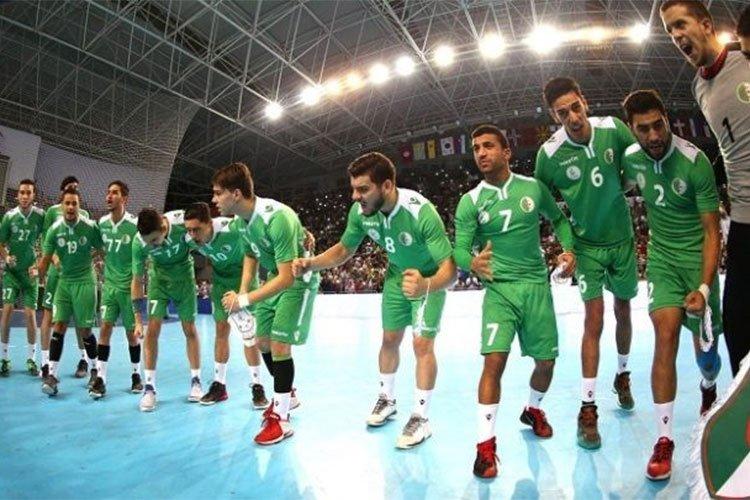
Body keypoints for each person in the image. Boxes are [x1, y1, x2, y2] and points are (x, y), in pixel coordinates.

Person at [292, 152, 456, 449]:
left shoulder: (421, 212)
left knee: (422, 345)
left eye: (363, 189)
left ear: (387, 186)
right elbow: (344, 250)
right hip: (395, 277)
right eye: (354, 189)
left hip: (428, 279)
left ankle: (421, 418)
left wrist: (426, 285)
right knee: (389, 339)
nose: (355, 196)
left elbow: (451, 270)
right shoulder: (360, 213)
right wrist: (310, 264)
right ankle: (387, 399)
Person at [456, 125, 575, 478]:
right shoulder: (470, 201)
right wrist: (471, 262)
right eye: (476, 148)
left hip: (536, 287)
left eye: (488, 146)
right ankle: (485, 447)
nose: (481, 153)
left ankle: (533, 409)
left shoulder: (532, 188)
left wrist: (569, 250)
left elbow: (559, 220)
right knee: (493, 362)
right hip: (500, 291)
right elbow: (459, 249)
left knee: (546, 363)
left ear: (506, 152)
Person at [621, 89, 723, 480]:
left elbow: (712, 232)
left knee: (707, 354)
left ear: (667, 119)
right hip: (662, 260)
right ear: (632, 129)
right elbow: (615, 189)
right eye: (643, 129)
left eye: (658, 125)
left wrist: (705, 288)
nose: (653, 136)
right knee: (664, 336)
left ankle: (708, 385)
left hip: (697, 261)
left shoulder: (695, 163)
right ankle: (664, 440)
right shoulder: (631, 159)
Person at [535, 77, 638, 449]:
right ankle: (588, 407)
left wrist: (625, 184)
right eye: (563, 113)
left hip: (622, 239)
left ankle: (622, 374)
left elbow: (637, 166)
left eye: (575, 107)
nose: (572, 117)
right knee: (593, 319)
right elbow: (543, 204)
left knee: (623, 310)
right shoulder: (549, 154)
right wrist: (565, 245)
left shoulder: (614, 129)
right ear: (554, 116)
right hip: (586, 247)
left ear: (585, 101)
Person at [661, 0, 750, 377]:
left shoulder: (745, 59)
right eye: (669, 31)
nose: (676, 35)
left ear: (707, 24)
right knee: (739, 326)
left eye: (681, 24)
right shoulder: (698, 87)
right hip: (744, 221)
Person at [213, 162, 319, 445]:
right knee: (262, 342)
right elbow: (251, 254)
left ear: (236, 194)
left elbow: (287, 278)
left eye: (218, 193)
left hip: (298, 280)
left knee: (280, 344)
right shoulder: (240, 223)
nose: (214, 199)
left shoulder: (277, 218)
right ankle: (288, 395)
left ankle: (280, 420)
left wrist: (243, 299)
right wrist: (242, 291)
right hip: (276, 276)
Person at [183, 202, 269, 408]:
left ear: (209, 223)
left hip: (244, 283)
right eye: (189, 230)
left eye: (196, 229)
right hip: (221, 286)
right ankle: (219, 385)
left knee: (249, 336)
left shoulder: (231, 230)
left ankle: (257, 386)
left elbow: (256, 243)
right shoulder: (190, 239)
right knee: (221, 330)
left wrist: (242, 293)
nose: (192, 235)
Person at [132, 208, 203, 411]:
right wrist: (138, 320)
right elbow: (137, 280)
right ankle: (149, 388)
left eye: (154, 241)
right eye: (148, 242)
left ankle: (196, 381)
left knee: (189, 329)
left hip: (184, 281)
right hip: (159, 282)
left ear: (163, 227)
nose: (151, 246)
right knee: (152, 330)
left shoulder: (183, 223)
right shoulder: (139, 243)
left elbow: (205, 240)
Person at [38, 188, 102, 396]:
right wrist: (37, 273)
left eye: (75, 203)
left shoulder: (90, 227)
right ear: (62, 205)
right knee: (59, 325)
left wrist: (92, 259)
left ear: (79, 206)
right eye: (67, 203)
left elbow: (102, 248)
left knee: (85, 330)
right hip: (64, 283)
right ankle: (52, 375)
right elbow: (46, 259)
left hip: (84, 282)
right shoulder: (54, 230)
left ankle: (96, 371)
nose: (71, 207)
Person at [89, 181, 142, 399]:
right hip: (109, 287)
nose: (109, 196)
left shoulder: (135, 225)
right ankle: (100, 378)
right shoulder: (101, 223)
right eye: (108, 192)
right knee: (105, 329)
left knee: (131, 335)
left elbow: (143, 253)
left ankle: (136, 374)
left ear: (124, 198)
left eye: (114, 193)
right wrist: (96, 260)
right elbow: (98, 248)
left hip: (128, 289)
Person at [0, 179, 44, 376]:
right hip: (12, 273)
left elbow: (48, 241)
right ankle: (4, 359)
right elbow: (1, 243)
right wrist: (7, 257)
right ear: (17, 195)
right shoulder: (9, 217)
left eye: (28, 192)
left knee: (30, 315)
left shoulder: (40, 216)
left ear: (33, 196)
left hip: (30, 274)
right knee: (7, 311)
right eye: (22, 192)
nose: (25, 196)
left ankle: (31, 359)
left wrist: (40, 265)